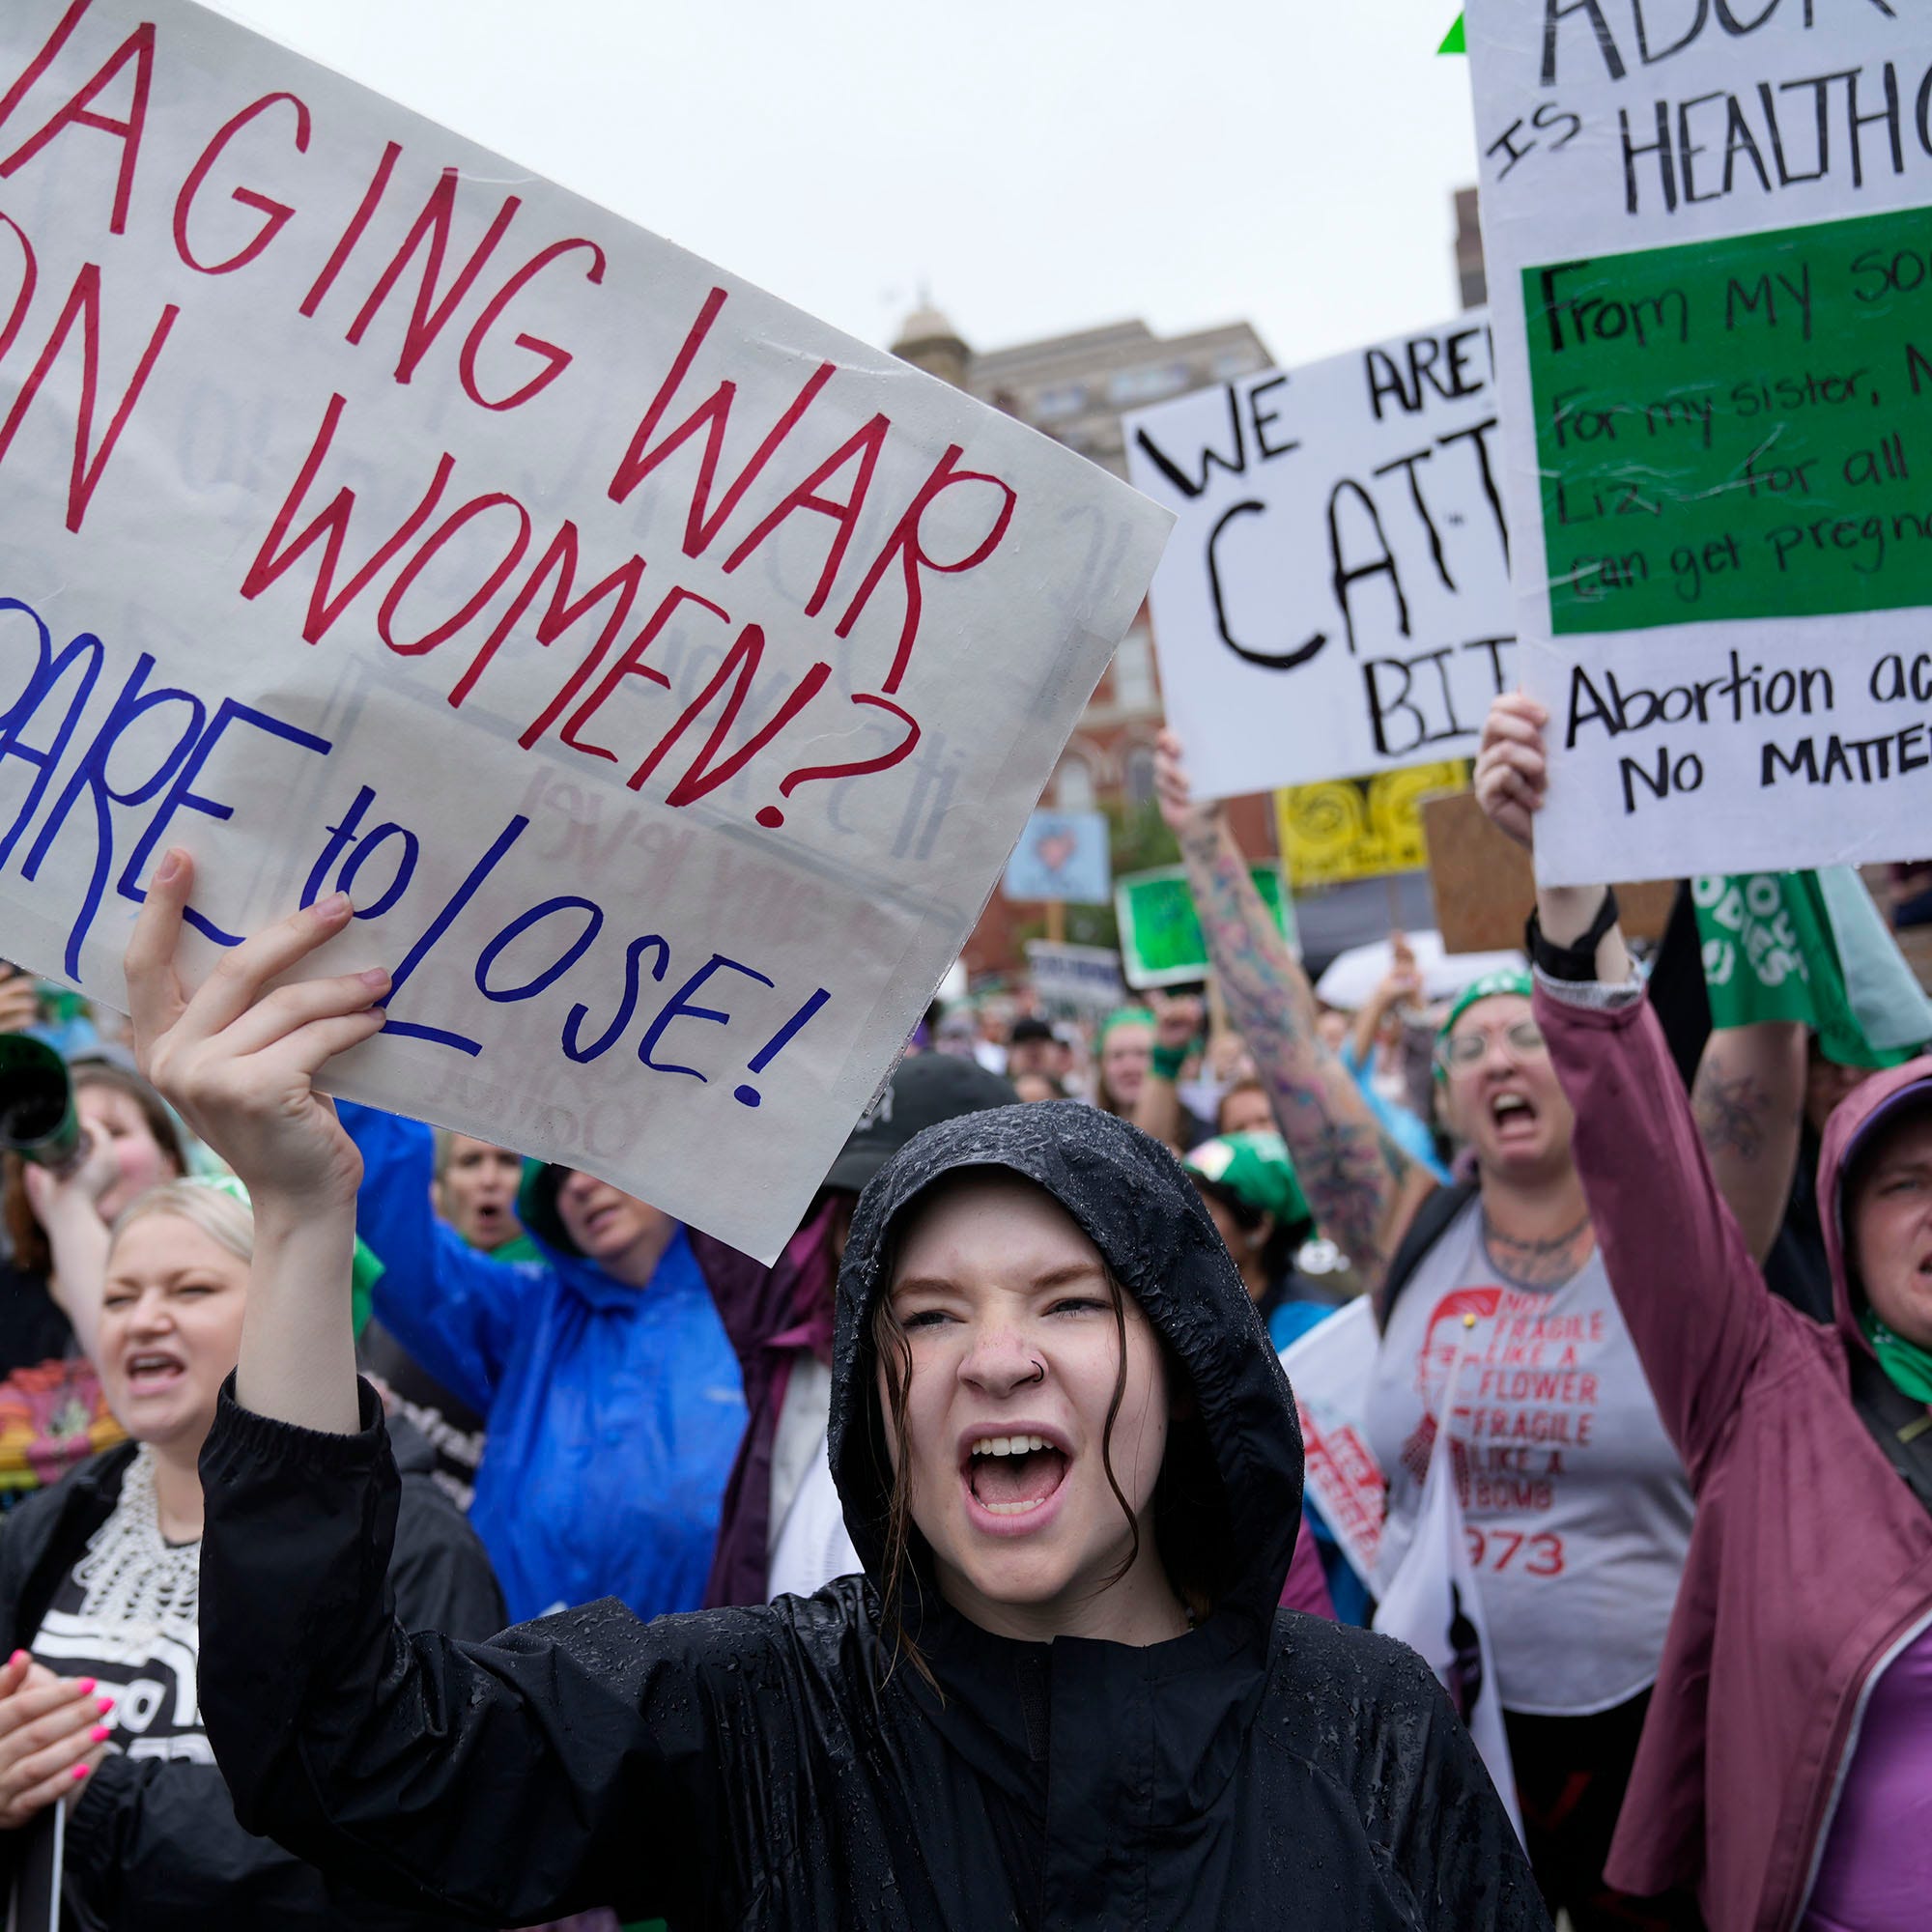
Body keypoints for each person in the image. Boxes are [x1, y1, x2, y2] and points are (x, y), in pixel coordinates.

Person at [125, 859, 1546, 1932]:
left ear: (1181, 1369)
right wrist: (305, 1217)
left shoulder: (1373, 1727)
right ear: (881, 1399)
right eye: (931, 1317)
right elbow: (346, 1756)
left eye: (1068, 1303)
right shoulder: (762, 1711)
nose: (999, 1355)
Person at [1154, 727, 1725, 1930]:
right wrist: (1205, 843)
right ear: (1446, 1095)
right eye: (1469, 1046)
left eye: (1526, 1030)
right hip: (1452, 1731)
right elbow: (1290, 1051)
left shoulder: (1677, 1231)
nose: (1499, 1055)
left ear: (1577, 1062)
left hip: (1672, 1734)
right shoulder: (1405, 1228)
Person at [1477, 692, 1932, 1932]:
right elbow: (1642, 1155)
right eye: (1904, 1183)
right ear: (1836, 1220)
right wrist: (1568, 886)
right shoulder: (1767, 1398)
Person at [0, 1173, 502, 1929]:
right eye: (117, 1297)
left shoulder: (417, 1547)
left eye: (191, 1289)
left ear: (287, 1312)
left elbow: (426, 1848)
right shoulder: (50, 1527)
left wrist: (102, 1797)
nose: (143, 1321)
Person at [700, 1052, 1019, 1608]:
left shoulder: (1012, 1393)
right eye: (855, 1215)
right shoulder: (790, 1356)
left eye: (905, 1213)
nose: (871, 1246)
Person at [0, 1063, 186, 1513]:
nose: (83, 1152)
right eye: (61, 1136)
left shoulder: (225, 1283)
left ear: (170, 1162)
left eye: (113, 1131)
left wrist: (73, 1207)